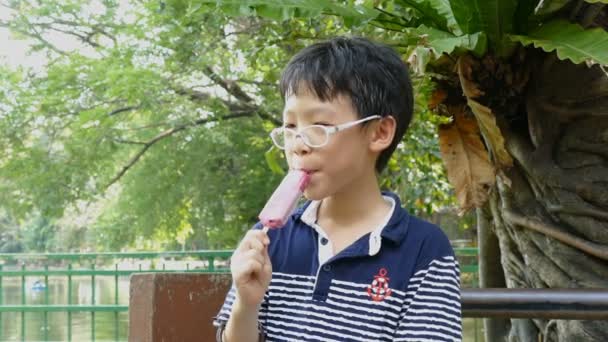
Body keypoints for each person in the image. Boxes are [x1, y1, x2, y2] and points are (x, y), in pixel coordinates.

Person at [214, 36, 461, 342]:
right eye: (290, 128)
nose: (298, 146)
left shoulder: (425, 250)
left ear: (379, 132)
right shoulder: (271, 238)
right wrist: (246, 304)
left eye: (318, 127)